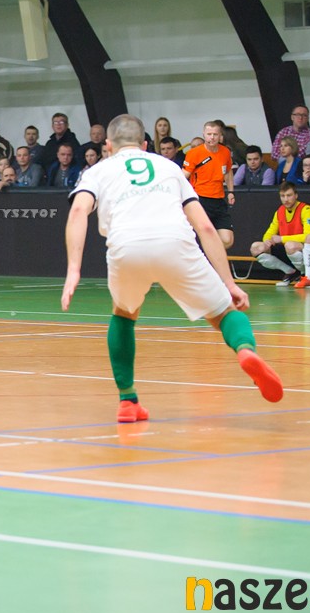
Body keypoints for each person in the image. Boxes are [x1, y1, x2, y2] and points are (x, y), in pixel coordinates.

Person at [62, 114, 283, 423]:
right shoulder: (169, 167)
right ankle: (245, 350)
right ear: (144, 145)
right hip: (175, 242)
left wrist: (74, 269)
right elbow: (205, 227)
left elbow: (78, 212)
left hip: (126, 246)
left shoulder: (97, 170)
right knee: (224, 314)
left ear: (108, 146)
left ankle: (128, 401)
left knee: (123, 314)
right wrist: (229, 283)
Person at [248, 182, 310, 286]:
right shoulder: (279, 211)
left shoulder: (306, 209)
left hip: (304, 250)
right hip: (286, 249)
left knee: (290, 245)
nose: (286, 199)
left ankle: (304, 274)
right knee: (256, 247)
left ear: (296, 195)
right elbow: (270, 232)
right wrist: (267, 240)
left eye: (289, 195)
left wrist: (282, 239)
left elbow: (308, 236)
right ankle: (290, 272)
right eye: (282, 196)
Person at [182, 121, 235, 249]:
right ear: (204, 135)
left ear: (220, 136)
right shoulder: (194, 153)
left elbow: (228, 172)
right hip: (200, 199)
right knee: (204, 235)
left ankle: (209, 255)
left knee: (227, 240)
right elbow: (183, 176)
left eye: (215, 134)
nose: (212, 137)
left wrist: (231, 192)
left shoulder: (225, 152)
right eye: (209, 134)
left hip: (219, 199)